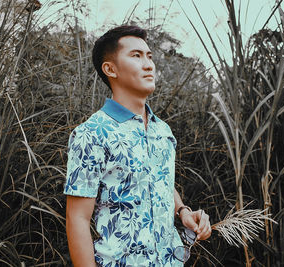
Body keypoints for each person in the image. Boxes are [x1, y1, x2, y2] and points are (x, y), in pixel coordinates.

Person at [64, 25, 211, 267]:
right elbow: (78, 218)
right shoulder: (92, 133)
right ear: (110, 69)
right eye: (136, 56)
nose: (149, 64)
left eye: (149, 56)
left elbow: (159, 179)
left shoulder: (163, 131)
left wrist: (183, 211)